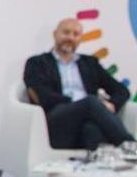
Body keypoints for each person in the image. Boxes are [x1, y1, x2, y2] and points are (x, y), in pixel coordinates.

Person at [23, 18, 134, 149]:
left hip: (85, 121)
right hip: (56, 120)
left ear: (80, 39)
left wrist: (112, 104)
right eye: (66, 32)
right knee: (91, 102)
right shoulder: (37, 63)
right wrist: (84, 102)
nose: (70, 37)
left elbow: (122, 91)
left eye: (76, 34)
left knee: (91, 130)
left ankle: (92, 166)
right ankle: (130, 146)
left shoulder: (90, 63)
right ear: (55, 34)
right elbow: (43, 96)